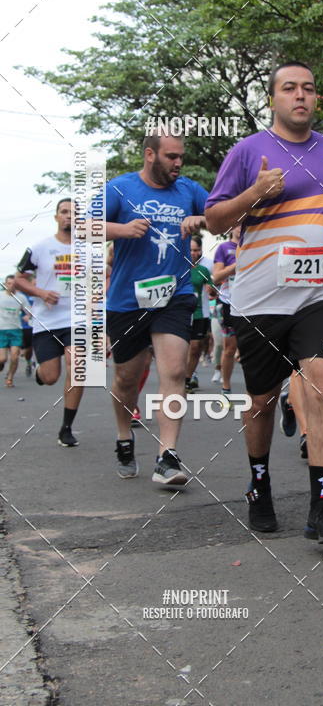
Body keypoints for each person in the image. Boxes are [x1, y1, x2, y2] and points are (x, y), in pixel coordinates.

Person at [205, 60, 323, 544]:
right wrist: (253, 192)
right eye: (289, 88)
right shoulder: (248, 151)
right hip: (260, 296)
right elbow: (213, 220)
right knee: (263, 401)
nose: (301, 96)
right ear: (273, 98)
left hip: (321, 293)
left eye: (309, 89)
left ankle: (322, 507)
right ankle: (259, 484)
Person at [104, 133, 207, 483]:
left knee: (175, 372)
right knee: (126, 378)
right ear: (150, 155)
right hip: (127, 300)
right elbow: (82, 228)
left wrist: (202, 221)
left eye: (181, 157)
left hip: (173, 296)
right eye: (172, 157)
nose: (179, 163)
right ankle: (123, 434)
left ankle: (168, 456)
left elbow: (222, 216)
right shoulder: (120, 188)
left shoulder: (190, 190)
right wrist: (121, 228)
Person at [14, 199, 85, 446]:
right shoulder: (39, 248)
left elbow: (106, 274)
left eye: (74, 213)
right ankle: (40, 373)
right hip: (46, 321)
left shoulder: (88, 249)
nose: (69, 217)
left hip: (77, 320)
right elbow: (18, 280)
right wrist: (41, 293)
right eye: (64, 212)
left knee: (77, 367)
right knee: (51, 376)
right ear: (56, 217)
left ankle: (66, 427)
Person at [212, 225, 241, 398]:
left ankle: (257, 392)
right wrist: (237, 264)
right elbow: (216, 277)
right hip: (229, 303)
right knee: (230, 348)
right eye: (238, 224)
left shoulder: (253, 245)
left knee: (252, 347)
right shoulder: (224, 248)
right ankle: (226, 387)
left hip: (252, 303)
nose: (240, 228)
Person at [185, 234, 216, 392]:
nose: (194, 253)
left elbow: (213, 291)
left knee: (195, 347)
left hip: (199, 313)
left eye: (197, 250)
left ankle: (187, 379)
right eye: (191, 250)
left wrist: (212, 290)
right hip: (180, 313)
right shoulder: (178, 266)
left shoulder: (203, 269)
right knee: (182, 348)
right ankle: (178, 377)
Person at [0, 275, 31, 387]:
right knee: (2, 358)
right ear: (5, 284)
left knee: (14, 356)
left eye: (13, 284)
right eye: (8, 283)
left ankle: (10, 378)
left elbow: (29, 310)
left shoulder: (21, 297)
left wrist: (28, 316)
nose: (11, 286)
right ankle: (2, 364)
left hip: (16, 330)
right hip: (2, 330)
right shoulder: (1, 296)